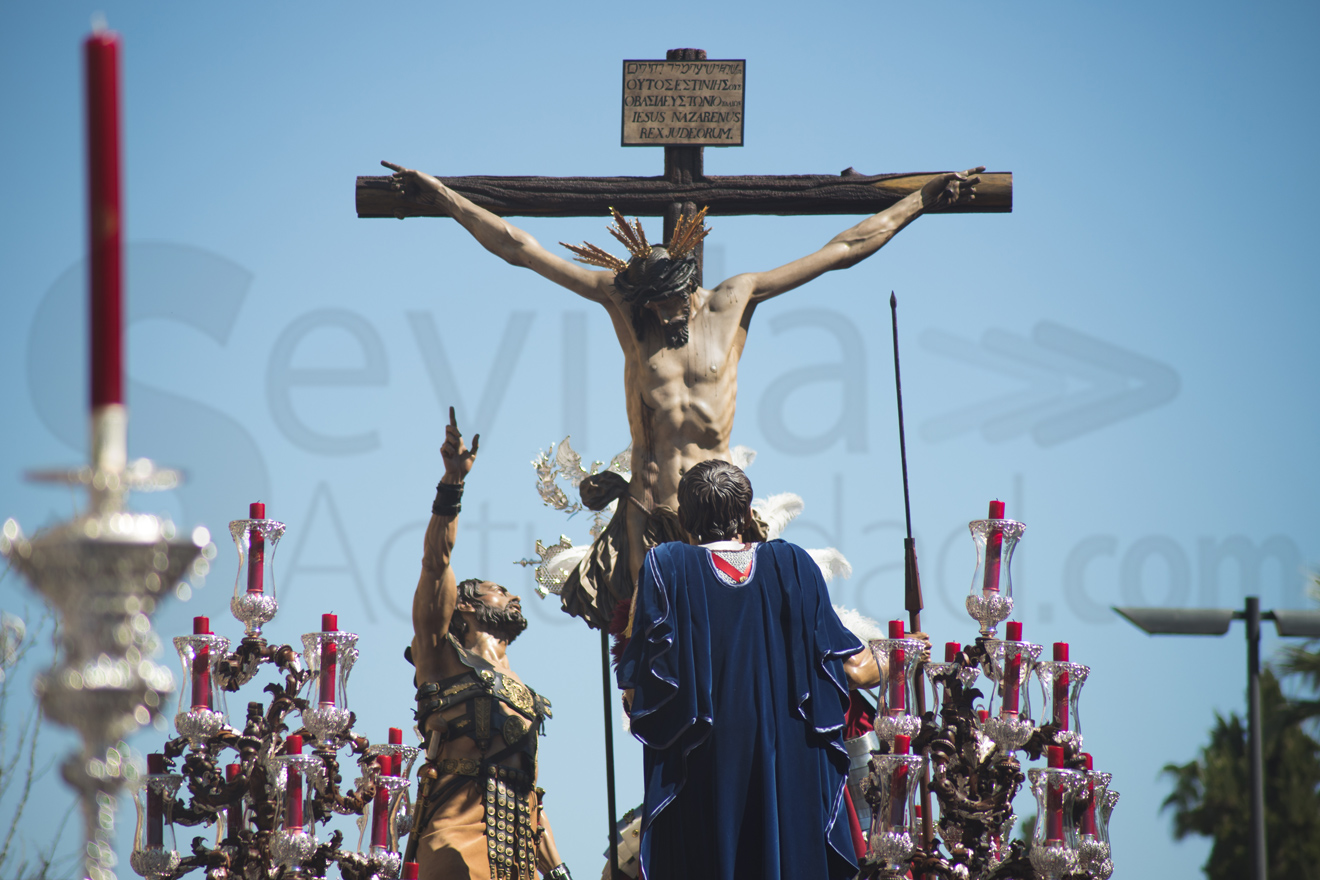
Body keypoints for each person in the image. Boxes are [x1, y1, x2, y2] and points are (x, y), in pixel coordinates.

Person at [382, 160, 983, 630]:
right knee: (653, 644)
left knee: (732, 642)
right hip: (649, 506)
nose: (660, 315)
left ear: (690, 285)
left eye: (669, 303)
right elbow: (521, 248)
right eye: (650, 305)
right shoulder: (630, 310)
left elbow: (844, 249)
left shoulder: (735, 299)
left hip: (718, 510)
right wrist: (444, 197)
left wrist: (921, 198)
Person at [615, 459, 867, 880]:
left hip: (704, 770)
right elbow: (855, 671)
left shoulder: (667, 567)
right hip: (790, 764)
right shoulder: (793, 565)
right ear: (748, 516)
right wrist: (902, 653)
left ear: (683, 520)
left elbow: (635, 694)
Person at [407, 407, 572, 880]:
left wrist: (558, 871)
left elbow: (531, 796)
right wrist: (452, 484)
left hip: (519, 861)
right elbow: (436, 564)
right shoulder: (441, 657)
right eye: (499, 591)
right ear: (465, 607)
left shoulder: (524, 691)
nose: (515, 594)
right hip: (456, 847)